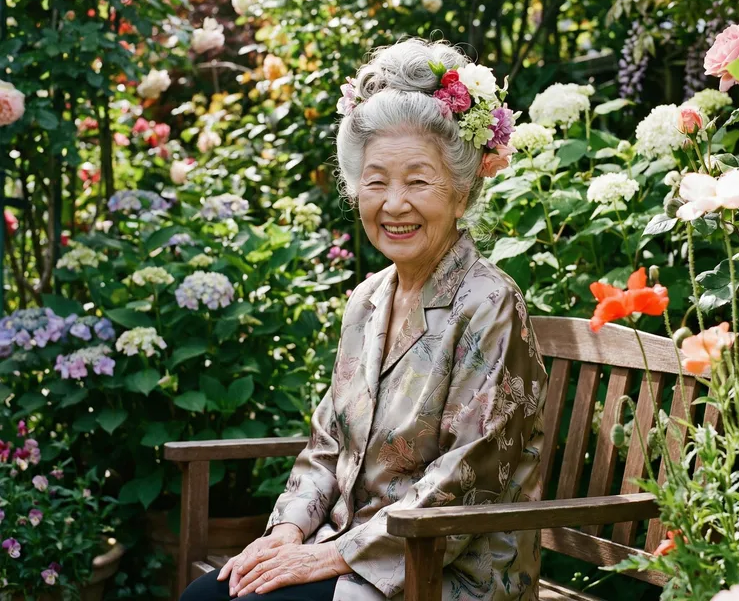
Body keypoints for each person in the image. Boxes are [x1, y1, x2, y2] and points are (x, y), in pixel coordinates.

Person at [180, 38, 548, 601]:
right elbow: (329, 444)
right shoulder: (368, 299)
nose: (394, 204)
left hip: (448, 570)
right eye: (376, 181)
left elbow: (465, 481)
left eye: (418, 180)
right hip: (352, 547)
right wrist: (286, 534)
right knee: (212, 595)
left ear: (463, 188)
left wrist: (326, 556)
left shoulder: (489, 304)